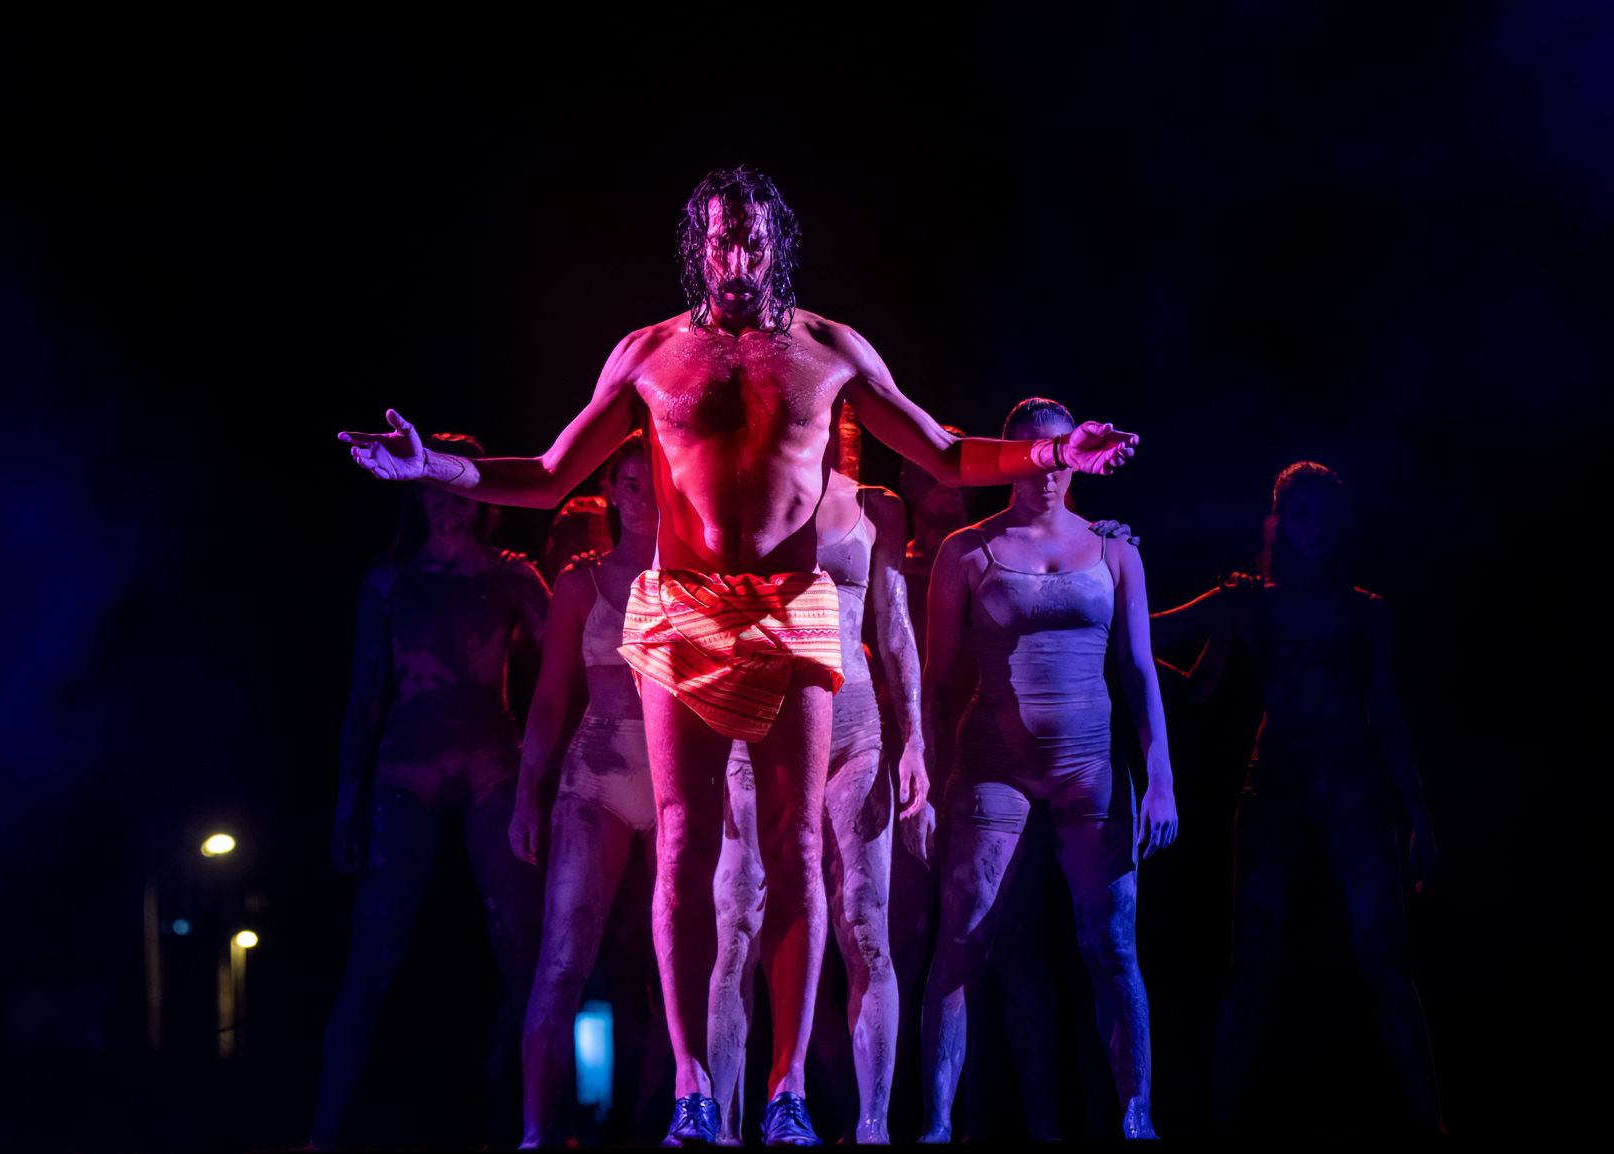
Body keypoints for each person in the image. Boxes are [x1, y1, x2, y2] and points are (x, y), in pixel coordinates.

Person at [339, 166, 1138, 1146]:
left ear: (779, 245)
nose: (737, 259)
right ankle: (689, 1084)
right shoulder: (648, 355)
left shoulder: (832, 348)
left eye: (752, 240)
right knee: (685, 840)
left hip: (793, 609)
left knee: (798, 844)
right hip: (685, 611)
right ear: (697, 245)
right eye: (720, 240)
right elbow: (550, 477)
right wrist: (431, 464)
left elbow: (940, 450)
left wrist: (1053, 456)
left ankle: (789, 1087)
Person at [1150, 461, 1443, 1136]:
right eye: (1299, 513)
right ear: (1280, 523)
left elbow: (1385, 715)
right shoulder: (1249, 599)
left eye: (1323, 513)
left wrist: (1418, 814)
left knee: (1384, 962)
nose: (1312, 526)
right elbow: (1185, 673)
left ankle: (1431, 1124)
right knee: (1249, 965)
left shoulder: (1364, 610)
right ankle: (1218, 1126)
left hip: (1352, 788)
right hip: (1276, 786)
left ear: (1337, 523)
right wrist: (1106, 571)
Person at [917, 397, 1176, 1141]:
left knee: (1112, 945)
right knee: (963, 940)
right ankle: (935, 1123)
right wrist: (927, 780)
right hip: (992, 764)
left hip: (1088, 766)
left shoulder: (1113, 548)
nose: (1050, 473)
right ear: (1011, 459)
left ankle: (1137, 1117)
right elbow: (936, 680)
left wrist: (1159, 776)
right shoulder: (968, 550)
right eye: (1037, 457)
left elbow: (1137, 672)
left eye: (1063, 455)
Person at [312, 436, 550, 1151]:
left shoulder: (514, 579)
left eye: (454, 495)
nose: (445, 508)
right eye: (432, 495)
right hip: (405, 765)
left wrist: (546, 784)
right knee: (372, 955)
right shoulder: (389, 583)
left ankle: (530, 1128)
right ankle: (323, 1136)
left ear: (476, 502)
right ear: (415, 500)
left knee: (524, 956)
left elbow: (567, 672)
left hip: (491, 761)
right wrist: (346, 803)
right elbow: (362, 697)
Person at [708, 406, 927, 1144]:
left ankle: (871, 1128)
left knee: (864, 926)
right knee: (737, 929)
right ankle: (729, 1121)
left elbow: (892, 625)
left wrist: (916, 740)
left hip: (856, 728)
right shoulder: (744, 493)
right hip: (760, 732)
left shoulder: (875, 507)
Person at [509, 433, 661, 1148]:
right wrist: (524, 791)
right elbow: (547, 698)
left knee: (695, 963)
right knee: (563, 959)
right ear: (610, 493)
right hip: (597, 778)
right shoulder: (581, 581)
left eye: (653, 480)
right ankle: (538, 1133)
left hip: (681, 780)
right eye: (627, 483)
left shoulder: (702, 573)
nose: (641, 495)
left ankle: (682, 1123)